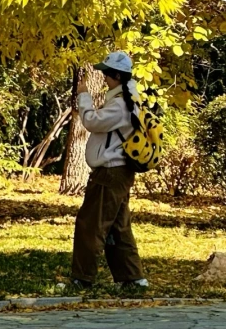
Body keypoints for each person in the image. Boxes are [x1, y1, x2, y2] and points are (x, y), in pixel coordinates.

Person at [69, 50, 149, 293]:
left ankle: (82, 279)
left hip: (110, 174)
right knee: (118, 227)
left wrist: (84, 97)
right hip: (118, 173)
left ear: (117, 76)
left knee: (90, 225)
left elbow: (92, 122)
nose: (103, 77)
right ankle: (133, 278)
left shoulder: (121, 104)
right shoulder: (127, 98)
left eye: (107, 73)